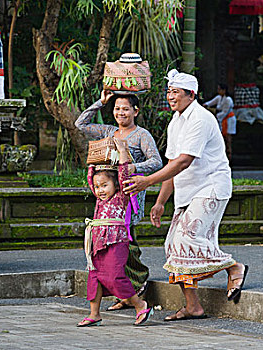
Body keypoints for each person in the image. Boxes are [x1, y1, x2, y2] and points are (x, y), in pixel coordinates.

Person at [122, 69, 248, 321]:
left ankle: (234, 267)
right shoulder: (176, 122)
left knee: (186, 238)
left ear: (191, 94)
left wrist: (146, 181)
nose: (170, 96)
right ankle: (193, 306)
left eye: (175, 92)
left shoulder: (200, 118)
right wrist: (160, 202)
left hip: (211, 186)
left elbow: (183, 162)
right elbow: (171, 164)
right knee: (172, 246)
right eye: (169, 91)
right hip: (188, 190)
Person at [75, 90, 163, 310]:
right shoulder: (109, 131)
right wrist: (100, 102)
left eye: (125, 108)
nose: (120, 112)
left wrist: (133, 167)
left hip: (130, 195)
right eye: (116, 108)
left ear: (136, 111)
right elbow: (80, 124)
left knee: (126, 243)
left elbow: (157, 162)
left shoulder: (142, 135)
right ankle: (125, 292)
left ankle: (135, 286)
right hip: (107, 199)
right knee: (115, 244)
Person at [78, 138, 153, 327]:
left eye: (105, 185)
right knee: (94, 276)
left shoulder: (122, 194)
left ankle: (140, 304)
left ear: (115, 185)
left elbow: (123, 174)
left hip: (116, 241)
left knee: (115, 276)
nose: (100, 190)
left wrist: (122, 152)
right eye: (97, 186)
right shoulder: (99, 199)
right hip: (97, 241)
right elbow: (90, 178)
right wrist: (93, 162)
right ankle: (94, 314)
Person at [203, 83, 236, 160]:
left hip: (228, 119)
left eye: (219, 89)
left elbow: (225, 112)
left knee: (228, 138)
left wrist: (216, 116)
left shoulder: (228, 100)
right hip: (221, 118)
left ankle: (229, 155)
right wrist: (204, 105)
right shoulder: (219, 98)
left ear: (224, 90)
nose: (218, 91)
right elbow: (210, 102)